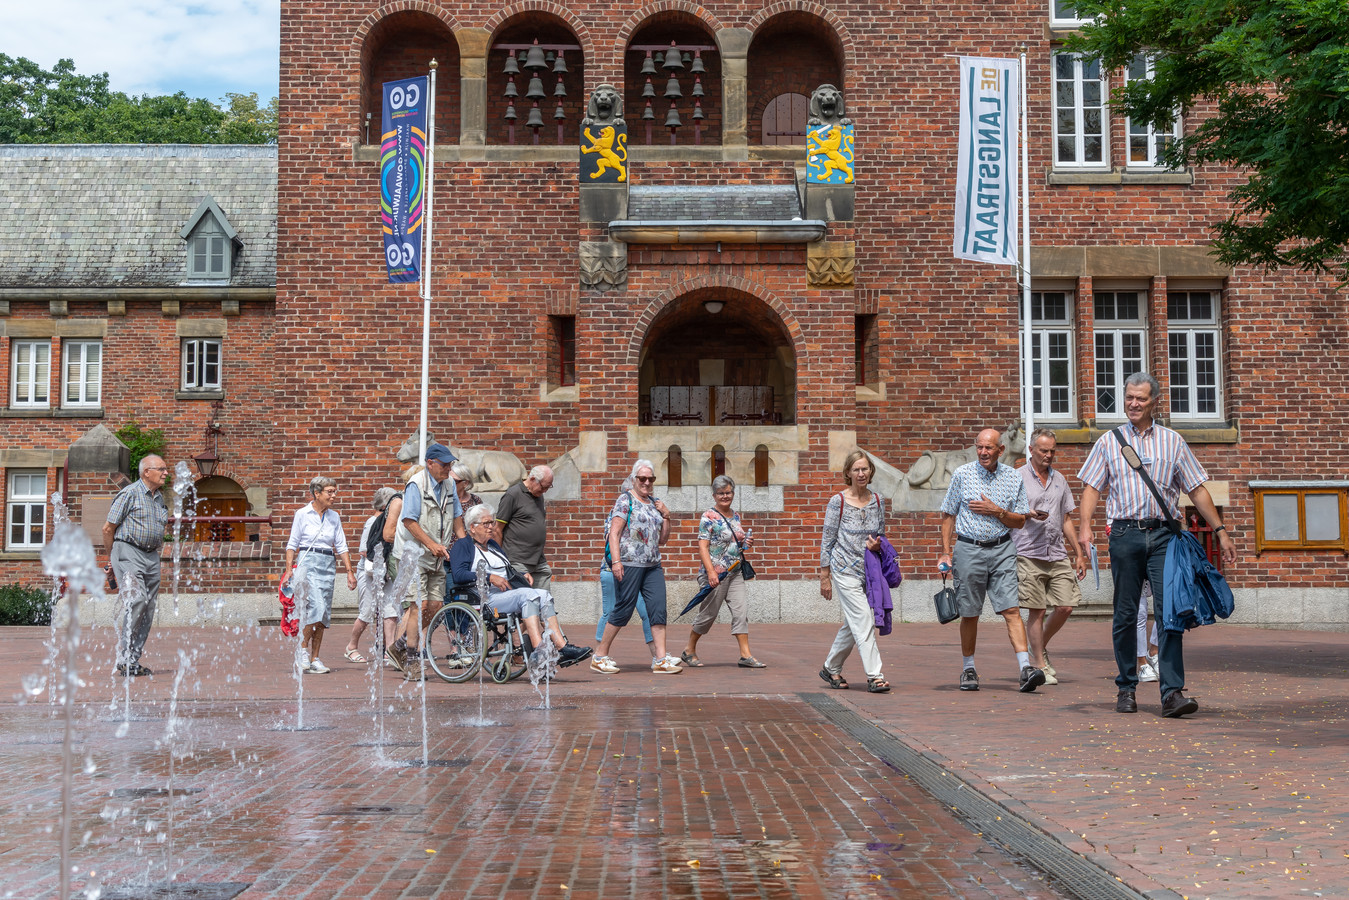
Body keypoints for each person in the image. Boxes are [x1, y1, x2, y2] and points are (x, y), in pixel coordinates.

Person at [1077, 371, 1236, 717]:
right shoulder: (1109, 441)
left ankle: (1172, 693)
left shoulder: (1173, 442)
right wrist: (1084, 528)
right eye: (1129, 397)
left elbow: (1196, 489)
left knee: (1170, 612)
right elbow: (1091, 487)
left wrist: (1220, 530)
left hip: (1165, 535)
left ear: (1155, 402)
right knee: (1125, 613)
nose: (1133, 404)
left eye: (1141, 398)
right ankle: (1126, 687)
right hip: (1124, 535)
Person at [937, 428, 1042, 693]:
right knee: (970, 613)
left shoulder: (1013, 477)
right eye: (979, 447)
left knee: (1011, 609)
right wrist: (946, 552)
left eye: (989, 448)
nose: (983, 452)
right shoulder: (962, 474)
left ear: (1000, 450)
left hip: (1002, 549)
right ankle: (968, 669)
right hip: (969, 549)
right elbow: (948, 514)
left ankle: (1025, 669)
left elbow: (1020, 521)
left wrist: (997, 511)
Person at [451, 504, 591, 666]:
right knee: (528, 595)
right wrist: (489, 577)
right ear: (472, 527)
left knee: (544, 595)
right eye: (486, 523)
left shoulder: (493, 545)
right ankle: (539, 648)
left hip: (505, 594)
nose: (491, 527)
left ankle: (562, 647)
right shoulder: (462, 546)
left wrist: (520, 574)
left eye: (492, 522)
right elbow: (458, 575)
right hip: (484, 598)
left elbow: (506, 569)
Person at [591, 459, 681, 675]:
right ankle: (599, 656)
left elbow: (663, 540)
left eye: (651, 479)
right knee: (623, 608)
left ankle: (660, 659)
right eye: (642, 478)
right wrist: (616, 562)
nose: (647, 482)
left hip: (653, 565)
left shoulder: (655, 503)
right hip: (629, 563)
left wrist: (667, 516)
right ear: (634, 479)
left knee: (658, 609)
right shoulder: (625, 500)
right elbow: (614, 533)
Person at [1013, 428, 1087, 685]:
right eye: (1044, 450)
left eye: (1052, 451)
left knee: (1066, 606)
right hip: (1027, 551)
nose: (1048, 455)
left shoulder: (1060, 480)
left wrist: (1078, 553)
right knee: (1037, 608)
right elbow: (1006, 515)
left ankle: (1038, 646)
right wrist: (1028, 514)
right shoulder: (1017, 477)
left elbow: (1066, 518)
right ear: (1031, 450)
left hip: (1056, 552)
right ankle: (1039, 664)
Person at [391, 442, 466, 681]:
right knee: (418, 605)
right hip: (414, 554)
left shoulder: (449, 484)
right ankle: (412, 658)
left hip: (436, 555)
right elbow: (409, 521)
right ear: (430, 463)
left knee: (435, 607)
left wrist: (465, 545)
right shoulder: (416, 484)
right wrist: (431, 544)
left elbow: (457, 516)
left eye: (450, 464)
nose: (448, 468)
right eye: (444, 464)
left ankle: (399, 645)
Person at [819, 450, 890, 693]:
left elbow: (881, 535)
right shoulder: (837, 501)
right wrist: (825, 576)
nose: (861, 473)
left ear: (871, 471)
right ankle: (875, 676)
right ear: (848, 473)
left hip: (868, 571)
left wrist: (877, 546)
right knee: (863, 619)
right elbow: (827, 540)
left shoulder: (878, 500)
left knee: (853, 623)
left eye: (865, 469)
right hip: (844, 569)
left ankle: (830, 667)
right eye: (856, 469)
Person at [680, 475, 764, 668]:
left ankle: (745, 655)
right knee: (708, 614)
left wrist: (745, 542)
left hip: (735, 572)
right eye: (721, 493)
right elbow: (703, 547)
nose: (725, 496)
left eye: (728, 492)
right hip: (715, 574)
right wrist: (711, 573)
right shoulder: (708, 517)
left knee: (741, 612)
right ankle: (689, 649)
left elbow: (734, 542)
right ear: (714, 495)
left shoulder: (735, 515)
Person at [281, 476, 357, 674]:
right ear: (317, 493)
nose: (334, 495)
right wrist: (289, 570)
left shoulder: (334, 516)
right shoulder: (302, 514)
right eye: (330, 492)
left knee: (323, 614)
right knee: (316, 607)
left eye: (334, 491)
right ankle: (302, 650)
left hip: (328, 563)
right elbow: (292, 544)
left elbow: (341, 545)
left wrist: (349, 572)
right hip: (308, 563)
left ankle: (315, 658)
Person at [102, 454, 170, 677]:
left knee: (148, 608)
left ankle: (133, 660)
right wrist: (112, 559)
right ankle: (124, 657)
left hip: (151, 556)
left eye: (166, 469)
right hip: (128, 550)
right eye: (161, 469)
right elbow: (108, 528)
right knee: (138, 599)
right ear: (146, 472)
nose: (166, 473)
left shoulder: (158, 498)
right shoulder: (129, 493)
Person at [597, 473, 659, 662]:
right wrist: (617, 562)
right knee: (611, 611)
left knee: (647, 611)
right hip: (613, 570)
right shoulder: (618, 511)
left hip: (637, 569)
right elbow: (612, 537)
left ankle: (657, 655)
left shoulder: (644, 510)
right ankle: (599, 652)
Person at [343, 487, 401, 665]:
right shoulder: (372, 522)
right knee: (367, 612)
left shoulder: (393, 522)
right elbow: (364, 550)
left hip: (387, 572)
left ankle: (390, 651)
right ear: (385, 505)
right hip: (369, 573)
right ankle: (351, 647)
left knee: (391, 611)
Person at [496, 465, 553, 591]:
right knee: (524, 597)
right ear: (532, 479)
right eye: (543, 487)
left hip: (538, 559)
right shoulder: (512, 495)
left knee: (544, 598)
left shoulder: (538, 494)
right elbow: (497, 529)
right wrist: (500, 558)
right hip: (518, 559)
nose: (545, 491)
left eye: (548, 487)